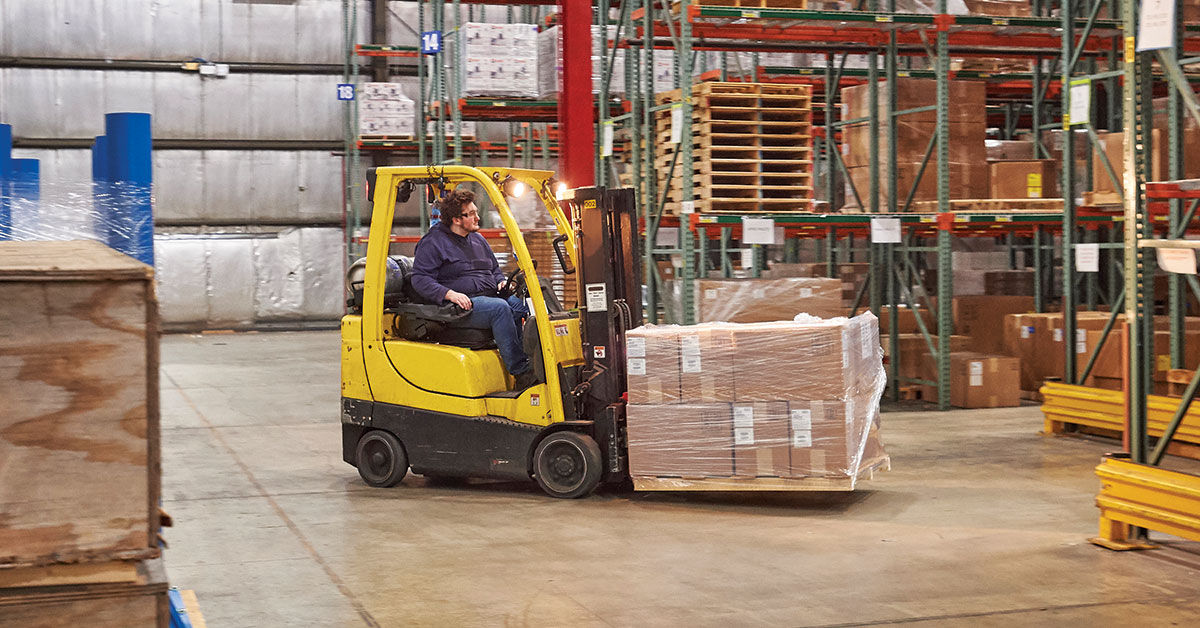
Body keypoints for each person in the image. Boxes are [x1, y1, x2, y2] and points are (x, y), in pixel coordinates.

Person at [410, 189, 538, 391]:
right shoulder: (433, 243)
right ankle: (522, 372)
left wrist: (500, 281)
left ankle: (536, 364)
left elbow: (494, 268)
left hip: (488, 296)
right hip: (459, 307)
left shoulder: (477, 240)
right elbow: (420, 279)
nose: (478, 217)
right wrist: (449, 294)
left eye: (476, 212)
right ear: (456, 219)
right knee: (500, 309)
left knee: (526, 306)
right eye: (471, 214)